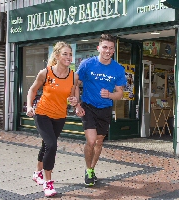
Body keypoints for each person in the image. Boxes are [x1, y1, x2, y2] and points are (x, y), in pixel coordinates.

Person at [26, 41, 78, 197]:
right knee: (52, 145)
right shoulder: (45, 73)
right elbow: (32, 90)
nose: (69, 57)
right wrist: (29, 107)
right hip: (42, 114)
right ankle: (48, 183)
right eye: (65, 54)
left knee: (46, 146)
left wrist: (75, 102)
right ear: (57, 55)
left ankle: (37, 173)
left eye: (70, 54)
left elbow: (74, 96)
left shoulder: (73, 76)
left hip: (60, 116)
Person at [74, 34, 127, 186]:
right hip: (88, 106)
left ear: (114, 50)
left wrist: (110, 94)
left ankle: (90, 170)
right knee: (91, 141)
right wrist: (77, 104)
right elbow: (74, 84)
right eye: (105, 47)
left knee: (99, 141)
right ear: (98, 48)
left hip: (105, 108)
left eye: (111, 48)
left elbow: (119, 94)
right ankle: (89, 170)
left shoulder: (118, 69)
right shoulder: (87, 64)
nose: (107, 51)